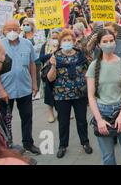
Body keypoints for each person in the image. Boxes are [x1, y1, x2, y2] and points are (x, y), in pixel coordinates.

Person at [86, 29, 121, 165]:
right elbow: (91, 96)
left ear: (115, 42)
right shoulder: (93, 66)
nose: (108, 44)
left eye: (111, 41)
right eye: (105, 41)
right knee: (108, 157)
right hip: (102, 112)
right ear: (99, 44)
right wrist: (99, 119)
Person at [0, 20, 40, 155]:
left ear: (19, 30)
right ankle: (7, 145)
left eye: (15, 29)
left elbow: (32, 64)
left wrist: (34, 83)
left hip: (24, 89)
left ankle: (28, 143)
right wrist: (1, 89)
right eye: (9, 29)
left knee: (27, 117)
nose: (12, 32)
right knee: (4, 120)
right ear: (4, 31)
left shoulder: (27, 44)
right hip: (5, 91)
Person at [47, 29, 92, 158]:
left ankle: (85, 142)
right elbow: (50, 78)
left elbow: (86, 73)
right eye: (64, 40)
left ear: (74, 41)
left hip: (79, 94)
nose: (67, 42)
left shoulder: (80, 56)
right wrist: (53, 66)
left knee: (82, 120)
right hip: (62, 95)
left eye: (69, 40)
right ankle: (63, 145)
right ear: (60, 43)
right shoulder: (55, 56)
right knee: (63, 121)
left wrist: (89, 90)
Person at [39, 29, 61, 123]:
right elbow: (41, 58)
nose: (55, 40)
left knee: (60, 92)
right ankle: (50, 112)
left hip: (60, 72)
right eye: (53, 38)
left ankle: (61, 111)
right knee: (49, 93)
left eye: (56, 38)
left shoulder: (62, 45)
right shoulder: (45, 46)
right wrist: (51, 54)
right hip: (48, 73)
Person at [21, 18, 46, 100]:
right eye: (24, 25)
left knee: (36, 74)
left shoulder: (37, 35)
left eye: (27, 25)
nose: (25, 26)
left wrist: (30, 49)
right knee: (27, 75)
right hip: (24, 58)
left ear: (32, 26)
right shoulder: (21, 36)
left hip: (36, 57)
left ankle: (37, 91)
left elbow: (41, 44)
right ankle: (29, 91)